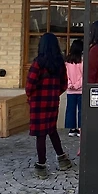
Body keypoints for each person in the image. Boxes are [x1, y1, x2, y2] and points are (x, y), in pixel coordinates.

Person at [27, 33, 71, 173]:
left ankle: (41, 165)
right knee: (51, 130)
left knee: (40, 134)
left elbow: (29, 85)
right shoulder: (59, 64)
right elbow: (64, 84)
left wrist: (31, 96)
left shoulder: (38, 63)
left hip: (38, 103)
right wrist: (54, 94)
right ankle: (62, 159)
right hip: (52, 102)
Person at [65, 38, 84, 137]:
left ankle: (71, 129)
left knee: (70, 109)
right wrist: (77, 85)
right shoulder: (83, 61)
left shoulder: (67, 61)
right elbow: (84, 76)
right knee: (81, 109)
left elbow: (65, 75)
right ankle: (81, 127)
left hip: (70, 90)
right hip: (81, 90)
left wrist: (70, 85)